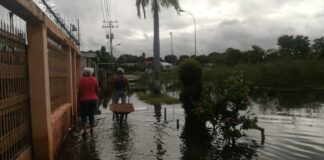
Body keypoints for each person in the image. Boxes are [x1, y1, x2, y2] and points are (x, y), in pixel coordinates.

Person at [78, 67, 99, 137]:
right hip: (93, 100)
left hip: (84, 100)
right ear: (91, 73)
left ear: (84, 73)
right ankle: (92, 130)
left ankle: (85, 131)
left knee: (84, 115)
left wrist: (79, 99)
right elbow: (97, 90)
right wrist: (96, 96)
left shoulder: (81, 80)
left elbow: (80, 91)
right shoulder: (94, 79)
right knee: (91, 114)